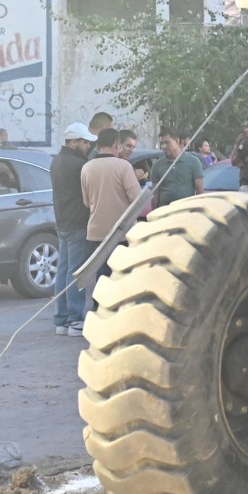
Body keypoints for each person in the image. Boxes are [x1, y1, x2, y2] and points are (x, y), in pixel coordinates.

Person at [79, 128, 142, 306]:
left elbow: (86, 201)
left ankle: (99, 308)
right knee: (121, 274)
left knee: (102, 274)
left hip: (96, 231)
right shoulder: (123, 166)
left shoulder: (86, 167)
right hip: (121, 231)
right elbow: (137, 199)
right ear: (116, 145)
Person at [50, 122, 95, 337]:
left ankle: (61, 320)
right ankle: (75, 319)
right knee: (76, 272)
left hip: (62, 222)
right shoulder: (79, 165)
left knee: (63, 270)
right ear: (74, 142)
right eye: (85, 142)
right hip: (77, 222)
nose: (87, 146)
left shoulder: (57, 161)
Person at [150, 130, 204, 208]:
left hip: (186, 211)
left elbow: (200, 191)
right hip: (165, 212)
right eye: (162, 144)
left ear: (177, 141)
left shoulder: (193, 162)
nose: (164, 146)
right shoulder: (157, 165)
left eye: (167, 143)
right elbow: (155, 195)